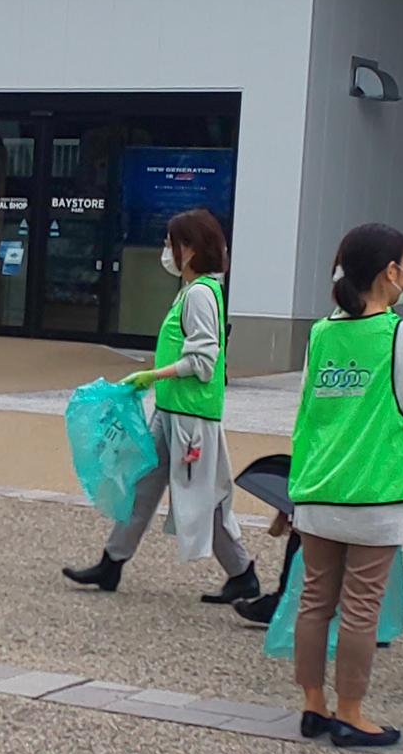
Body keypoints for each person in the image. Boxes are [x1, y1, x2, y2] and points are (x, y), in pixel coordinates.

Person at [285, 223, 403, 749]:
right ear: (392, 271)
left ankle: (313, 703)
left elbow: (306, 410)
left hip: (317, 486)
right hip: (375, 493)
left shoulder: (320, 334)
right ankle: (350, 711)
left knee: (314, 600)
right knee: (361, 606)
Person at [63, 209, 261, 606]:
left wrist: (153, 375)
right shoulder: (193, 291)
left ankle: (242, 574)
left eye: (171, 243)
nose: (166, 251)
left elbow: (203, 361)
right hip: (174, 412)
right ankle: (112, 562)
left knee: (204, 497)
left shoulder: (200, 294)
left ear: (190, 248)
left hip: (190, 418)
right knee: (143, 486)